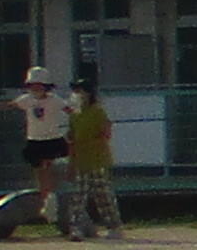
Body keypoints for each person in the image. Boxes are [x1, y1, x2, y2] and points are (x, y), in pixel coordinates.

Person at [64, 76, 127, 240]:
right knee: (78, 195)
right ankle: (76, 228)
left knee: (102, 194)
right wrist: (71, 160)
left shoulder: (98, 111)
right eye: (75, 91)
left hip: (97, 159)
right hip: (80, 159)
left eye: (80, 91)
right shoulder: (74, 115)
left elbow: (106, 133)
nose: (76, 94)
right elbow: (70, 137)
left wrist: (90, 141)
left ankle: (114, 226)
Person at [14, 60, 73, 216]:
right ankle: (47, 200)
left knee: (54, 169)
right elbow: (11, 105)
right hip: (34, 140)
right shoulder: (26, 99)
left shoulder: (55, 100)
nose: (36, 88)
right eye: (33, 85)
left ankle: (54, 198)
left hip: (53, 139)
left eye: (39, 84)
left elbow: (70, 111)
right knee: (40, 172)